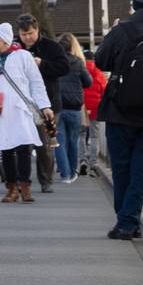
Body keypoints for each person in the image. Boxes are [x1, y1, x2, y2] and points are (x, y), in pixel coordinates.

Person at [92, 0, 143, 240]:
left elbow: (101, 61)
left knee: (121, 167)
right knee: (142, 168)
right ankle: (128, 221)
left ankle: (126, 221)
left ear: (135, 4)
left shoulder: (123, 30)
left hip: (120, 110)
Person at [0, 22, 54, 205]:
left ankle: (25, 186)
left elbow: (36, 82)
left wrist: (45, 106)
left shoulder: (23, 56)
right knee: (6, 148)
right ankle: (11, 187)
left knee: (24, 147)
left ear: (5, 38)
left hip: (21, 109)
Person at [15, 14, 68, 193]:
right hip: (21, 103)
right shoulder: (14, 47)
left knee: (45, 144)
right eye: (23, 34)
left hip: (49, 103)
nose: (27, 37)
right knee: (21, 143)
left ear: (37, 30)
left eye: (30, 33)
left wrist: (43, 64)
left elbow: (64, 68)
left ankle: (46, 180)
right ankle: (21, 181)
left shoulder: (51, 47)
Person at [55, 33, 92, 184]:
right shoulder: (78, 62)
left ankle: (65, 174)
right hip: (74, 107)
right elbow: (88, 82)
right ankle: (72, 172)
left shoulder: (55, 62)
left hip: (57, 106)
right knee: (73, 140)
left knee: (59, 141)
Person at [82, 46, 108, 178]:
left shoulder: (79, 69)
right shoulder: (99, 73)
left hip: (81, 107)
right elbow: (105, 92)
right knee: (94, 136)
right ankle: (93, 163)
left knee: (80, 136)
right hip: (96, 108)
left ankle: (82, 160)